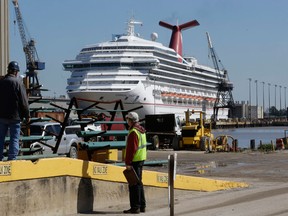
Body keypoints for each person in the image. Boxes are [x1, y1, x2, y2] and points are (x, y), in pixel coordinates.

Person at [0, 61, 30, 161]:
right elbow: (24, 101)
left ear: (8, 70)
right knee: (14, 138)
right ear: (16, 72)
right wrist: (27, 115)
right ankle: (12, 159)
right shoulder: (18, 83)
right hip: (15, 116)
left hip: (2, 116)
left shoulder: (2, 82)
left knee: (0, 138)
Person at [123, 112, 147, 214]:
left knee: (133, 185)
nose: (127, 121)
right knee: (139, 183)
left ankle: (135, 207)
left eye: (128, 119)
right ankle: (142, 205)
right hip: (141, 159)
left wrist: (128, 162)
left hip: (135, 161)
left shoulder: (133, 132)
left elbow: (131, 149)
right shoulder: (141, 130)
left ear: (131, 120)